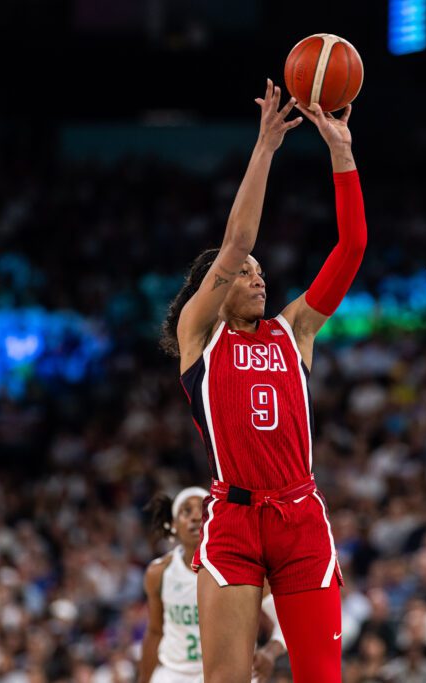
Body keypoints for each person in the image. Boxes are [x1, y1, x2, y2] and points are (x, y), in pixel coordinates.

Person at [159, 79, 367, 683]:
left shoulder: (294, 330)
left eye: (260, 273)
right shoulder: (201, 335)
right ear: (217, 289)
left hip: (300, 514)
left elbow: (352, 247)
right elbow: (237, 242)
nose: (258, 278)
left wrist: (342, 151)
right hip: (234, 520)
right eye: (245, 275)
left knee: (320, 678)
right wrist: (266, 148)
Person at [139, 487, 286, 683]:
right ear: (174, 524)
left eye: (202, 509)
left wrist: (269, 652)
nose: (195, 517)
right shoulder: (159, 573)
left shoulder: (245, 566)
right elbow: (156, 631)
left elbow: (285, 620)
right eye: (186, 511)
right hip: (176, 674)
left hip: (232, 674)